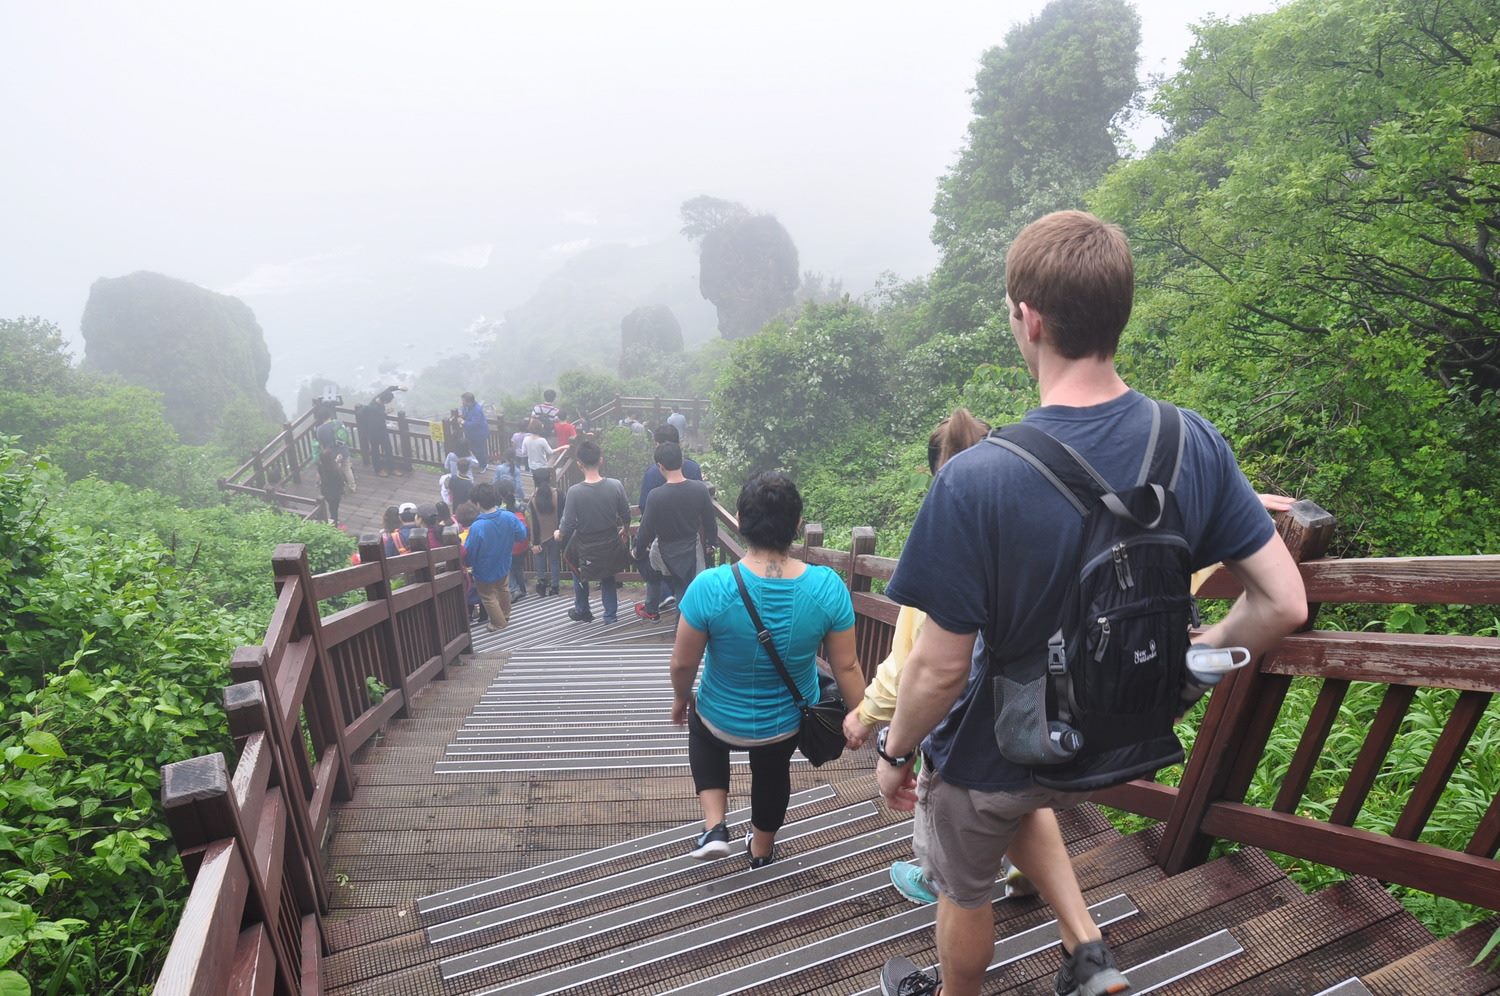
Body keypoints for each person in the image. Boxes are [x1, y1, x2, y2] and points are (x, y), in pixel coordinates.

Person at [872, 211, 1309, 996]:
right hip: (1122, 734)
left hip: (1002, 745)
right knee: (1023, 802)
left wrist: (894, 752)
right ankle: (1087, 955)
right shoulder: (1193, 441)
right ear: (1119, 312)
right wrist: (1185, 665)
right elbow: (1282, 602)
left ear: (1028, 318)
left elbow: (939, 672)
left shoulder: (975, 480)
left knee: (965, 883)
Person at [838, 409, 1029, 908]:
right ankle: (1025, 873)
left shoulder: (944, 534)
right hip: (1026, 700)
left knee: (946, 804)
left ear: (931, 473)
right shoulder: (1025, 520)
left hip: (959, 711)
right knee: (1019, 786)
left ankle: (937, 880)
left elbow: (915, 661)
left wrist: (872, 723)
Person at [669, 472, 866, 867]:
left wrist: (680, 699)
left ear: (740, 520)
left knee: (700, 726)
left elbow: (683, 662)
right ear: (796, 525)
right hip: (785, 724)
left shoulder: (710, 586)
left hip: (720, 717)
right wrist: (862, 716)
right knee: (773, 770)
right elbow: (846, 664)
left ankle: (714, 824)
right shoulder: (827, 587)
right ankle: (761, 850)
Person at [633, 441, 716, 622]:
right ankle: (683, 627)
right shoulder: (699, 489)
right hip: (690, 548)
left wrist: (638, 551)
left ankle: (657, 609)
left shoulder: (655, 495)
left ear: (660, 466)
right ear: (682, 462)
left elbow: (645, 529)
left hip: (665, 549)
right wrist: (711, 543)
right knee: (685, 587)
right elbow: (710, 520)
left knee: (665, 578)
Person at [555, 439, 630, 624]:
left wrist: (559, 534)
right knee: (608, 575)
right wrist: (625, 529)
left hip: (586, 544)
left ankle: (582, 609)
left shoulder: (574, 492)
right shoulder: (615, 485)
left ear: (579, 464)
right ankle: (610, 616)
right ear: (601, 460)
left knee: (577, 568)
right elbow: (625, 513)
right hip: (610, 540)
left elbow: (568, 523)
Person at [463, 482, 528, 631]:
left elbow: (470, 552)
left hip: (484, 568)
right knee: (503, 588)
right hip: (504, 562)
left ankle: (499, 623)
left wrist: (467, 563)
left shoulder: (477, 527)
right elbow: (522, 535)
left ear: (478, 503)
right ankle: (505, 615)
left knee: (487, 595)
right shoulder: (509, 517)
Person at [527, 466, 562, 597]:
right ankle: (555, 587)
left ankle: (541, 584)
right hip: (556, 534)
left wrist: (534, 542)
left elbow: (534, 523)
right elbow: (562, 515)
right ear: (549, 479)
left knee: (540, 561)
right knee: (554, 561)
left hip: (539, 537)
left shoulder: (533, 499)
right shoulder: (558, 494)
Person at [495, 477, 529, 603]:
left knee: (508, 568)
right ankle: (523, 589)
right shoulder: (522, 505)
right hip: (523, 542)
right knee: (518, 566)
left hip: (509, 543)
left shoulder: (500, 509)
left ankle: (514, 590)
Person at [356, 386, 402, 477]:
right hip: (373, 432)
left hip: (382, 429)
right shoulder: (373, 408)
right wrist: (386, 413)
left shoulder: (379, 397)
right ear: (385, 401)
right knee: (375, 450)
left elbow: (389, 388)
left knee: (388, 449)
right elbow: (379, 417)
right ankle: (378, 470)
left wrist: (399, 387)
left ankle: (391, 468)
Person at [460, 393, 490, 471]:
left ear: (469, 402)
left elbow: (474, 424)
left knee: (480, 450)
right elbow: (464, 415)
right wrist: (462, 418)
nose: (462, 402)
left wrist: (463, 422)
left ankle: (483, 465)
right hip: (470, 434)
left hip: (479, 434)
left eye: (463, 401)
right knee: (472, 449)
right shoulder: (466, 407)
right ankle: (478, 463)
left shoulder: (477, 410)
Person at [317, 449, 344, 529]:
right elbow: (340, 480)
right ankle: (334, 524)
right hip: (335, 493)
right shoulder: (335, 469)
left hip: (325, 491)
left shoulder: (321, 467)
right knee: (334, 510)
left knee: (330, 506)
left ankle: (332, 521)